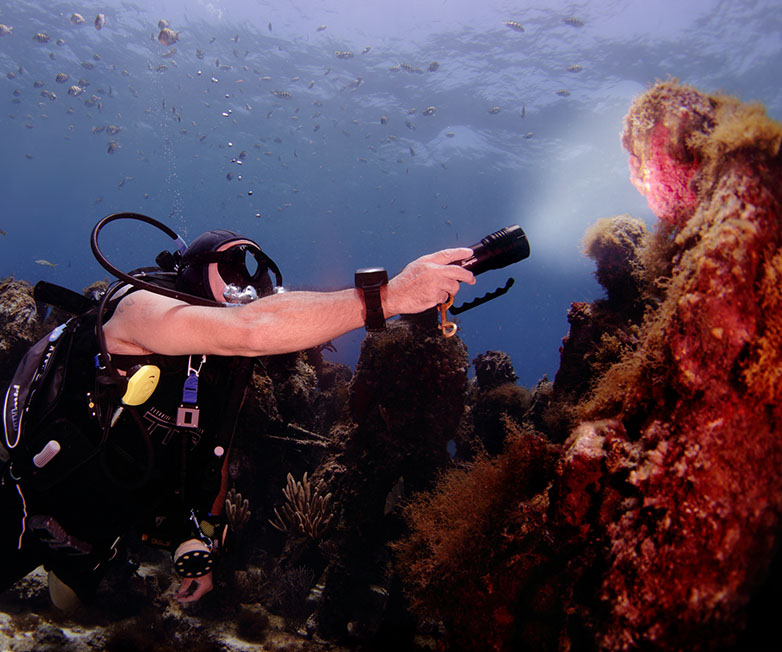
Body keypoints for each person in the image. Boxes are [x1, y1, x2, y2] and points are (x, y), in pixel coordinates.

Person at [1, 226, 475, 607]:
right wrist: (388, 298)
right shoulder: (137, 308)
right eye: (230, 265)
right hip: (25, 500)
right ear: (191, 270)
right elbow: (252, 329)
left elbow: (216, 452)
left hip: (98, 530)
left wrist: (200, 539)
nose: (243, 283)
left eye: (255, 272)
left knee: (82, 605)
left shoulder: (221, 367)